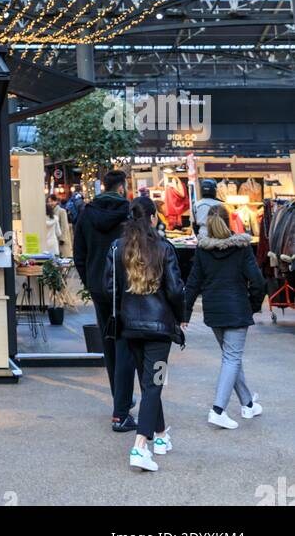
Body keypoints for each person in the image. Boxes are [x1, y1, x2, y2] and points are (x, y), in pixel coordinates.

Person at [104, 197, 186, 472]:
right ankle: (140, 446)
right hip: (160, 330)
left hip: (130, 328)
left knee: (149, 383)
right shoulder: (164, 248)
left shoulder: (118, 249)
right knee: (155, 384)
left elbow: (108, 287)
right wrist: (182, 317)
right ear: (152, 218)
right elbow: (176, 289)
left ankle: (160, 437)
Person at [184, 204, 267, 430]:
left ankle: (248, 404)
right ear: (229, 221)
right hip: (237, 309)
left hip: (214, 311)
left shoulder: (202, 250)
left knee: (232, 357)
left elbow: (192, 283)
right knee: (231, 358)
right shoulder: (242, 247)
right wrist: (252, 305)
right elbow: (258, 282)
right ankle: (218, 410)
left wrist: (185, 313)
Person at [73, 169, 137, 431]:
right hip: (129, 288)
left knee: (109, 345)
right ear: (121, 187)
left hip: (101, 289)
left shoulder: (87, 214)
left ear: (103, 186)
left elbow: (79, 254)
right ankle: (121, 410)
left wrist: (91, 283)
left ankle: (119, 399)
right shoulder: (130, 213)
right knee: (126, 347)